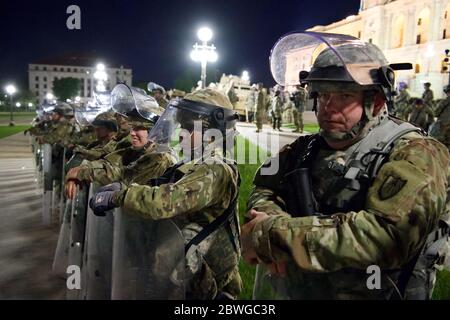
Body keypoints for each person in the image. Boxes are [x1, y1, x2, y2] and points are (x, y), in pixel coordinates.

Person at [241, 31, 450, 300]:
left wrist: (276, 236)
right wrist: (269, 215)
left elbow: (385, 236)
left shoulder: (418, 154)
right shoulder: (303, 149)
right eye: (322, 95)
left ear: (375, 101)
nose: (328, 107)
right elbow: (264, 188)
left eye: (343, 96)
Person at [90, 89, 243, 300]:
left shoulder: (217, 168)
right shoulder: (192, 163)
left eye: (189, 127)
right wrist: (124, 188)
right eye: (182, 125)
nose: (180, 132)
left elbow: (167, 201)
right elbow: (158, 187)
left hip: (209, 290)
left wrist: (121, 196)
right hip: (183, 278)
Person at [65, 84, 176, 199]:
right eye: (132, 127)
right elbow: (111, 162)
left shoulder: (160, 158)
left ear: (155, 132)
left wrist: (81, 172)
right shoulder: (139, 150)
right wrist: (79, 172)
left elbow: (124, 176)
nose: (132, 133)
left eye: (138, 128)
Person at [430, 84, 450, 151]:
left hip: (443, 125)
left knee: (438, 143)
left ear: (448, 92)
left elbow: (436, 113)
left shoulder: (445, 101)